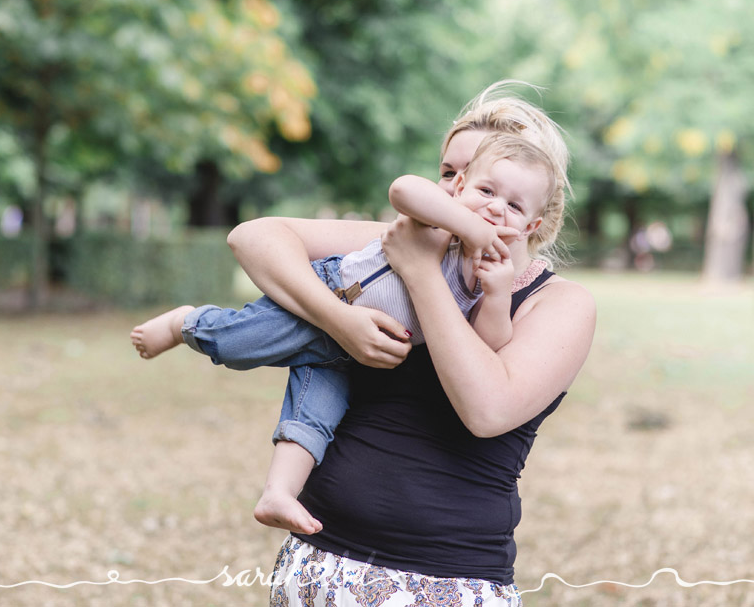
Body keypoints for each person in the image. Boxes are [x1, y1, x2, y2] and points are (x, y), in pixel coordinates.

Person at [225, 81, 596, 606]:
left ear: (535, 209)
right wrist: (338, 320)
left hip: (445, 578)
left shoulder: (558, 303)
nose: (454, 194)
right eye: (449, 174)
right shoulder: (401, 242)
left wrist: (421, 273)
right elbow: (253, 237)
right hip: (321, 559)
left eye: (498, 191)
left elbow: (487, 410)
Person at [131, 133, 553, 536]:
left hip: (350, 355)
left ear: (531, 226)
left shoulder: (488, 273)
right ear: (459, 185)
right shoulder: (431, 226)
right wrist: (470, 225)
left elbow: (489, 346)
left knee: (314, 417)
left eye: (513, 206)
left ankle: (278, 493)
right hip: (333, 294)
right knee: (235, 345)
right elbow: (403, 189)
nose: (496, 208)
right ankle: (185, 323)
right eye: (486, 192)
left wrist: (497, 296)